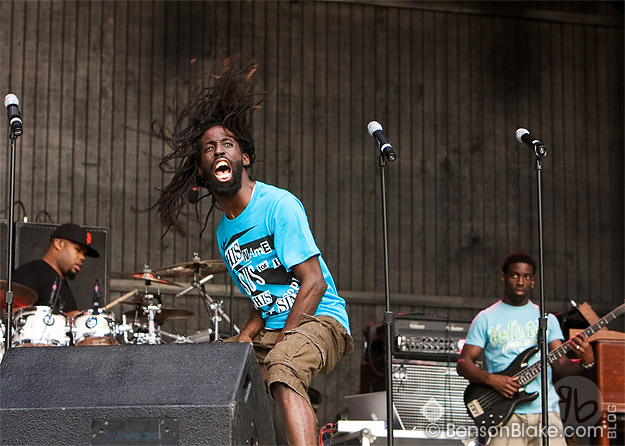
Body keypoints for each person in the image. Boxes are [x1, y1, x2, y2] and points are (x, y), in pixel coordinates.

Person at [155, 57, 353, 446]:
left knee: (281, 365)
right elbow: (265, 294)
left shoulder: (279, 205)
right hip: (277, 326)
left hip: (323, 319)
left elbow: (311, 283)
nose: (218, 150)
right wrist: (245, 336)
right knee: (210, 367)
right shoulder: (225, 232)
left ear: (244, 157)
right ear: (203, 170)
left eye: (226, 143)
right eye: (209, 148)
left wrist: (280, 343)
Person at [457, 252, 595, 446]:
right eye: (515, 275)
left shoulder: (547, 320)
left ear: (533, 281)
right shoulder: (486, 318)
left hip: (546, 411)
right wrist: (491, 379)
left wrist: (586, 362)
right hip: (504, 413)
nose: (520, 281)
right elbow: (463, 363)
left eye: (526, 277)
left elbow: (561, 366)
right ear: (503, 277)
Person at [12, 223, 100, 321]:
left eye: (84, 254)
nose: (82, 257)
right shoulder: (31, 272)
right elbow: (15, 315)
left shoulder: (62, 282)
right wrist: (66, 318)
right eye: (78, 250)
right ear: (59, 244)